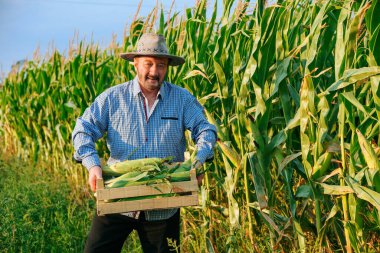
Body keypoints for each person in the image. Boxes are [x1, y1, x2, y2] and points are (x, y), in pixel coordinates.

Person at [72, 33, 217, 253]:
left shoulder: (182, 99)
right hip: (117, 199)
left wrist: (198, 160)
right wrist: (93, 166)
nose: (154, 71)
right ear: (135, 64)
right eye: (148, 64)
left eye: (160, 65)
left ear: (167, 67)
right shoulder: (112, 99)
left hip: (163, 203)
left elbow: (205, 129)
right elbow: (83, 130)